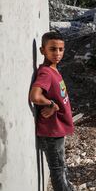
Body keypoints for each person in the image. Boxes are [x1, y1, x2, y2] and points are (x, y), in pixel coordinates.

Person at [30, 32, 74, 191]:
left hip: (57, 128)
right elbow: (35, 96)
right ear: (43, 51)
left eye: (61, 49)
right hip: (52, 130)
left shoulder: (53, 70)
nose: (57, 53)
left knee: (61, 166)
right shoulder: (46, 73)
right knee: (57, 170)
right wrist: (52, 104)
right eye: (53, 49)